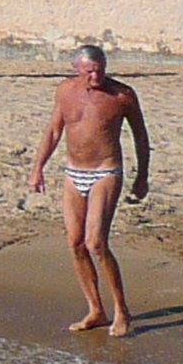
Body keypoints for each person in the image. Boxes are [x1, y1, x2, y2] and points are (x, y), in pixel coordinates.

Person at [28, 44, 151, 336]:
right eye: (90, 71)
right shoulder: (65, 91)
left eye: (100, 70)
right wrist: (37, 169)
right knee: (75, 243)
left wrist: (142, 176)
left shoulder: (122, 95)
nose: (96, 76)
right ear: (76, 69)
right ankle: (96, 310)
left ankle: (122, 311)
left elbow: (141, 137)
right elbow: (54, 130)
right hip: (73, 173)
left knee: (96, 242)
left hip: (105, 172)